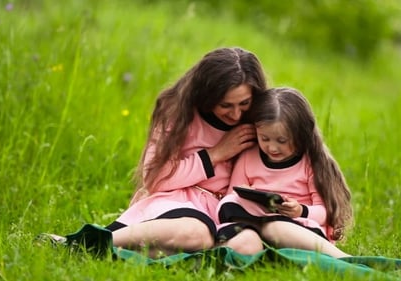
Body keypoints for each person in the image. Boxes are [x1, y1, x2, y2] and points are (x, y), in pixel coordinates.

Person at [45, 47, 268, 257]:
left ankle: (105, 254)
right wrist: (215, 154)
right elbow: (156, 177)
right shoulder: (178, 112)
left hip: (226, 214)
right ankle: (87, 243)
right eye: (226, 105)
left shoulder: (261, 122)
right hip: (178, 204)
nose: (236, 115)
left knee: (246, 246)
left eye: (244, 103)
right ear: (207, 97)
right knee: (195, 234)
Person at [216, 87, 353, 258]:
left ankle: (343, 258)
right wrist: (245, 192)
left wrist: (300, 211)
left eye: (282, 141)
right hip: (257, 223)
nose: (272, 147)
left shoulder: (310, 163)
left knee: (275, 228)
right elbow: (232, 197)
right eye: (264, 138)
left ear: (300, 135)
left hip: (300, 229)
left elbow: (324, 213)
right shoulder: (248, 157)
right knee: (229, 202)